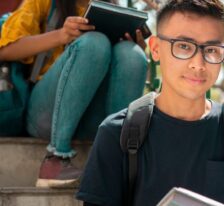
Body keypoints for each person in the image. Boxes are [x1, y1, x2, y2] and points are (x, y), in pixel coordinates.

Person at [76, 0, 224, 205]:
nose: (198, 64)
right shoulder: (116, 132)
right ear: (156, 49)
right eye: (184, 46)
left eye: (212, 49)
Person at [0, 0, 147, 188]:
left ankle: (116, 162)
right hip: (45, 115)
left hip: (93, 119)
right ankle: (55, 159)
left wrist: (136, 46)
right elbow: (4, 49)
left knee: (131, 54)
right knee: (94, 43)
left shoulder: (114, 7)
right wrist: (61, 35)